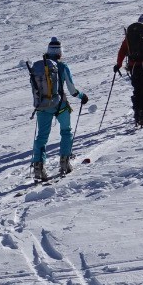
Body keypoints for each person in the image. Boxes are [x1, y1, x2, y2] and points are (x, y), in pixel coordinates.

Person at [26, 37, 88, 180]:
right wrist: (82, 96)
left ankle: (38, 167)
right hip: (60, 106)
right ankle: (65, 163)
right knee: (66, 132)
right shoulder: (63, 66)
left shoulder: (39, 67)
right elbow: (72, 90)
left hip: (42, 106)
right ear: (60, 52)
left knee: (41, 137)